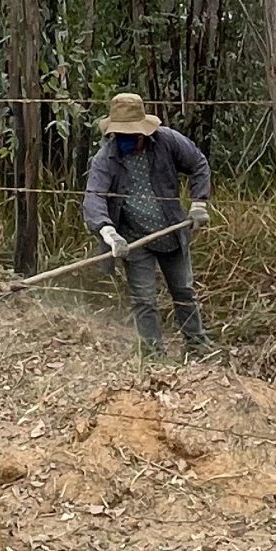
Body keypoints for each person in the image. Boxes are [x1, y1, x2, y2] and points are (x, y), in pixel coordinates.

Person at [81, 92, 213, 359]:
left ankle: (197, 346)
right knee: (144, 299)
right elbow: (94, 197)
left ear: (144, 132)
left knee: (183, 291)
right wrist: (108, 231)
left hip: (171, 231)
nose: (126, 140)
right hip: (133, 238)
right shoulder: (105, 158)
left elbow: (199, 164)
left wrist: (199, 203)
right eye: (120, 136)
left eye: (131, 135)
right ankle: (154, 355)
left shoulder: (167, 141)